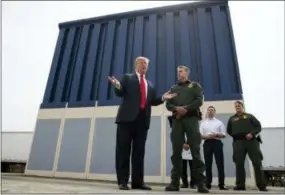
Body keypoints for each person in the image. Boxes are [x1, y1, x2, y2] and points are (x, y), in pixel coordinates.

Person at [108, 56, 176, 191]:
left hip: (142, 121)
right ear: (136, 65)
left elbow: (153, 101)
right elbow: (120, 92)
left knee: (139, 153)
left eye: (146, 64)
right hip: (126, 120)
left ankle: (138, 182)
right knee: (123, 151)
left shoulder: (150, 84)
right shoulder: (127, 78)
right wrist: (116, 85)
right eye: (141, 63)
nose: (144, 65)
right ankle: (123, 181)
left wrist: (163, 97)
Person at [164, 65, 208, 193]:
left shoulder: (195, 86)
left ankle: (200, 183)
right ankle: (174, 183)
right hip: (177, 120)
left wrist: (186, 108)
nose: (179, 74)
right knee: (176, 150)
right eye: (178, 72)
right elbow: (168, 104)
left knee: (195, 149)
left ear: (187, 73)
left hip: (191, 119)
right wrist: (177, 109)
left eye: (181, 71)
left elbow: (199, 101)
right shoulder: (173, 88)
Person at [227, 101, 267, 191]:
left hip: (251, 142)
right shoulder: (232, 119)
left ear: (242, 106)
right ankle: (240, 185)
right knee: (239, 163)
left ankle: (261, 185)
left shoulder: (250, 116)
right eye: (236, 106)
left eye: (239, 106)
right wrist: (238, 136)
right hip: (238, 143)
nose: (238, 107)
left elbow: (258, 127)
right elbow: (229, 131)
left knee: (257, 162)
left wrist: (252, 134)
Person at [200, 106, 228, 190]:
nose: (210, 112)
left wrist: (216, 134)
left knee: (220, 164)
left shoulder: (219, 123)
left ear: (214, 112)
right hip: (207, 143)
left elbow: (224, 134)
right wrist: (207, 136)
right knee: (208, 164)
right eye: (209, 110)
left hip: (217, 143)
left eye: (212, 110)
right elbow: (200, 136)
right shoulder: (203, 123)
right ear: (207, 112)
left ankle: (221, 184)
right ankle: (208, 184)